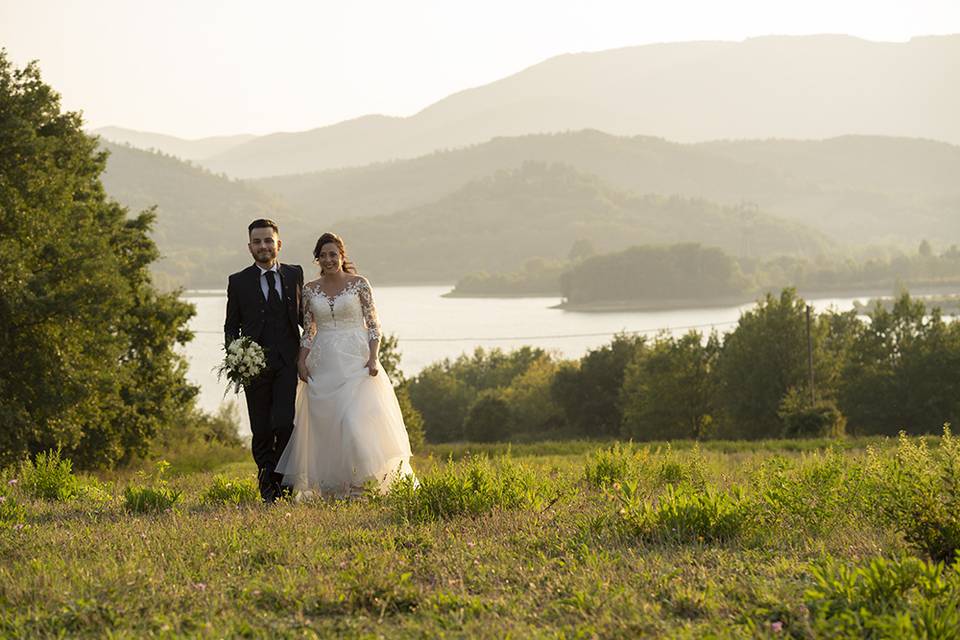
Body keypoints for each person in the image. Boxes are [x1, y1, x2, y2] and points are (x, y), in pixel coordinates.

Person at [275, 232, 415, 497]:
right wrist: (301, 361)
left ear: (342, 256)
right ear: (317, 258)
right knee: (328, 425)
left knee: (353, 422)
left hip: (356, 361)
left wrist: (373, 357)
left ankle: (361, 484)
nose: (329, 260)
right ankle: (335, 486)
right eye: (323, 255)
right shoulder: (310, 290)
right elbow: (309, 331)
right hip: (323, 362)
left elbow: (373, 325)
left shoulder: (360, 284)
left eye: (333, 255)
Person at [224, 219, 304, 503]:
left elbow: (305, 319)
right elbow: (231, 326)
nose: (263, 246)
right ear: (249, 247)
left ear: (278, 244)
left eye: (268, 240)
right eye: (257, 242)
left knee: (284, 423)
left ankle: (283, 483)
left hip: (287, 362)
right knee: (261, 428)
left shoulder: (295, 274)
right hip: (253, 365)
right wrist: (236, 355)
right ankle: (267, 481)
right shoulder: (238, 281)